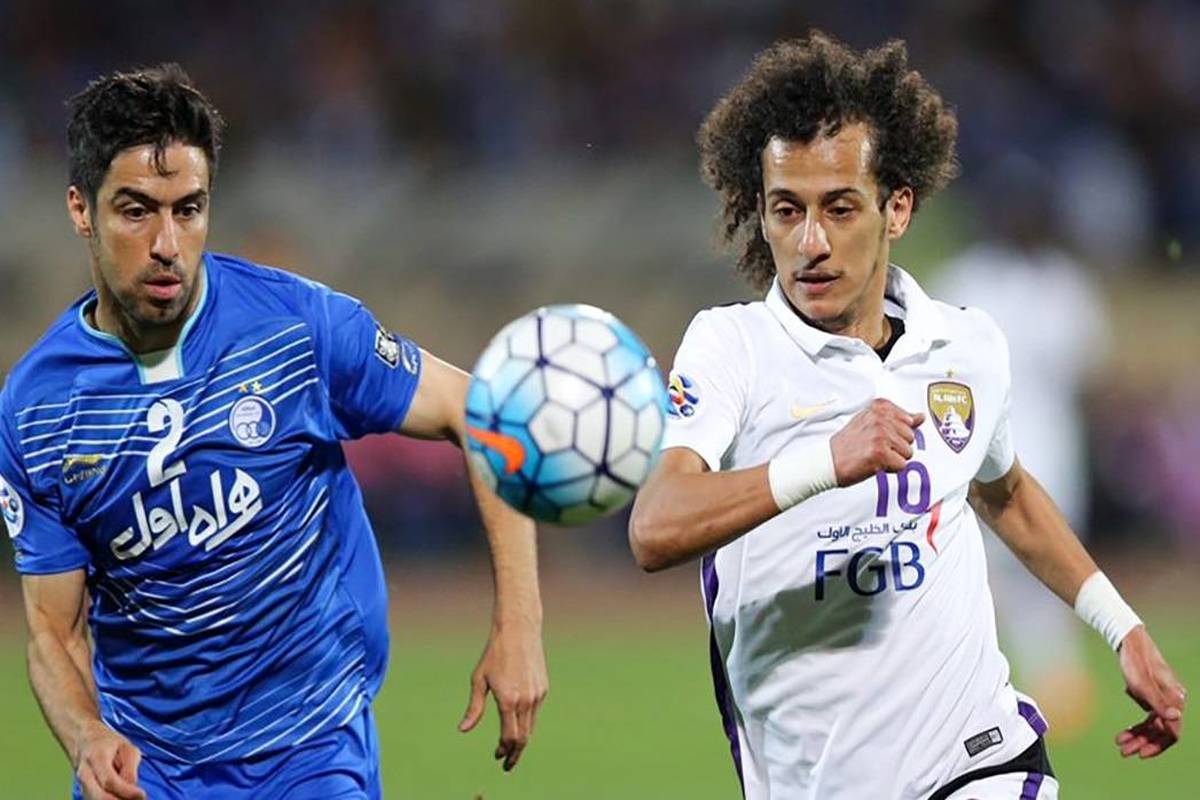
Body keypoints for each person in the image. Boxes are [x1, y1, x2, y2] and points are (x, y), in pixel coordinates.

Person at [628, 33, 1185, 799]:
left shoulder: (967, 346)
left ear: (897, 208)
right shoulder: (733, 347)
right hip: (811, 777)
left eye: (839, 208)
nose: (811, 242)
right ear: (759, 213)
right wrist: (826, 462)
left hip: (975, 756)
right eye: (787, 210)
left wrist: (1121, 627)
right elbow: (655, 527)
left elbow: (1006, 494)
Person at [0, 65, 547, 800]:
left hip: (310, 748)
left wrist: (520, 625)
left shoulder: (295, 329)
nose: (167, 243)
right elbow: (53, 632)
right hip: (148, 767)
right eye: (136, 212)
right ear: (80, 210)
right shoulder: (36, 408)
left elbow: (479, 412)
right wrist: (85, 736)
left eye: (189, 210)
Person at [934, 151, 1109, 739]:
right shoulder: (964, 281)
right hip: (975, 459)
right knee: (969, 579)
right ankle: (976, 694)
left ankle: (1054, 689)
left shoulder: (1065, 286)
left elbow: (1089, 379)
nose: (1019, 218)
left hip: (1053, 454)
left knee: (1043, 582)